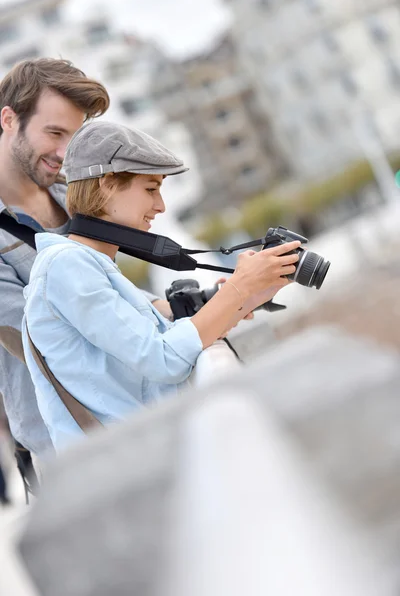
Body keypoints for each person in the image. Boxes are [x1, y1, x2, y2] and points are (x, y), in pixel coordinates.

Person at [22, 121, 300, 452]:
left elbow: (154, 344)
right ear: (108, 184)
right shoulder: (66, 267)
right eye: (151, 189)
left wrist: (245, 297)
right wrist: (238, 290)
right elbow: (162, 358)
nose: (161, 206)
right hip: (125, 474)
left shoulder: (87, 265)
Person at [0, 58, 169, 461]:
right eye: (54, 132)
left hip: (141, 422)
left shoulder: (71, 195)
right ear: (8, 120)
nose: (64, 153)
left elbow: (114, 297)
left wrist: (190, 307)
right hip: (69, 452)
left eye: (74, 139)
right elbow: (33, 337)